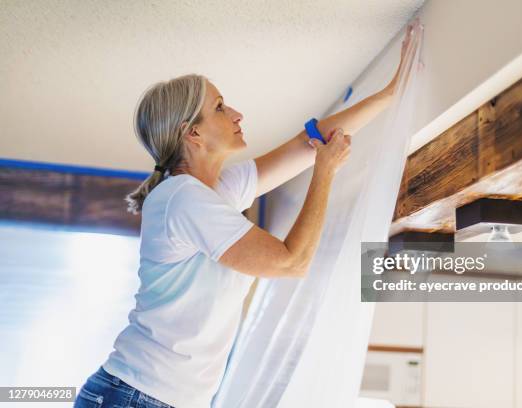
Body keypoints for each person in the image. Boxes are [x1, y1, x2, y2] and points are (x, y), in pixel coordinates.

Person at [74, 27, 413, 408]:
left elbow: (309, 143)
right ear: (193, 133)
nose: (236, 113)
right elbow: (291, 261)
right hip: (137, 396)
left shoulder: (211, 192)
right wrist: (325, 172)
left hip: (145, 396)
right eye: (220, 107)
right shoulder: (183, 199)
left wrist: (390, 92)